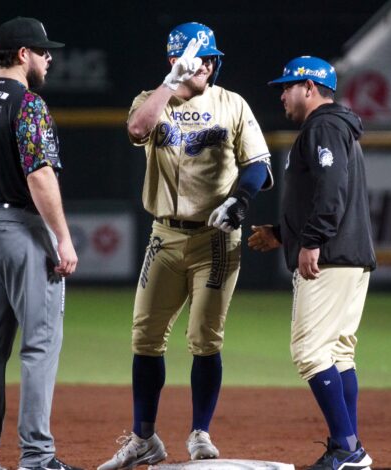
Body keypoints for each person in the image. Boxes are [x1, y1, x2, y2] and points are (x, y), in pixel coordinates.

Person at [97, 22, 272, 470]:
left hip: (216, 237)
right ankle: (143, 438)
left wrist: (239, 200)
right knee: (145, 337)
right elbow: (136, 128)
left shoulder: (231, 103)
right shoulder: (151, 100)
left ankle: (200, 433)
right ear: (177, 61)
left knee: (204, 338)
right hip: (165, 236)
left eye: (211, 58)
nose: (208, 64)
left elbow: (257, 164)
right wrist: (171, 81)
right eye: (199, 58)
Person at [0, 16, 82, 470]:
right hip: (19, 231)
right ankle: (37, 458)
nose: (50, 58)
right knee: (40, 345)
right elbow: (39, 174)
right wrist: (63, 240)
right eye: (43, 50)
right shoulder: (27, 103)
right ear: (23, 54)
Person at [248, 56, 376, 470]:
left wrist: (312, 240)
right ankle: (350, 446)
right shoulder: (334, 128)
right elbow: (319, 194)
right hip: (349, 256)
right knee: (338, 352)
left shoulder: (323, 126)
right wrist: (284, 234)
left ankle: (346, 447)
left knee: (309, 351)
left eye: (287, 86)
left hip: (331, 257)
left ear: (309, 87)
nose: (282, 94)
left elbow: (332, 189)